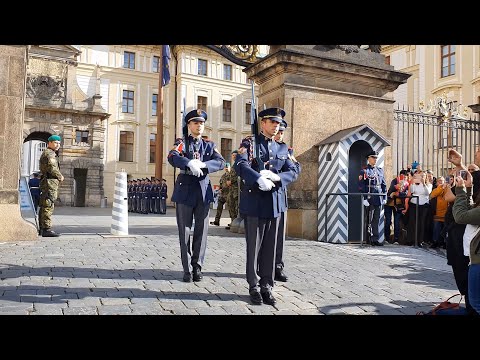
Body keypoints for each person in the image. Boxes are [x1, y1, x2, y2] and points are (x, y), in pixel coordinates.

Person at [234, 107, 298, 306]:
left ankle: (267, 286)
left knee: (270, 249)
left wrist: (278, 177)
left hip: (274, 204)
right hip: (254, 203)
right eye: (272, 122)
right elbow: (240, 165)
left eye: (278, 123)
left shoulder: (282, 148)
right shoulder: (250, 143)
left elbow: (294, 170)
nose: (275, 125)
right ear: (262, 123)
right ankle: (253, 286)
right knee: (254, 248)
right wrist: (257, 178)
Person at [168, 109, 225, 282]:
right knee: (184, 231)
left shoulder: (209, 145)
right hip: (185, 189)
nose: (199, 125)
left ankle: (197, 266)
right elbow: (172, 156)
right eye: (195, 122)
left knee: (201, 230)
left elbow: (221, 161)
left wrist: (204, 165)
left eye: (201, 123)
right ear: (189, 125)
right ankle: (186, 268)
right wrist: (188, 162)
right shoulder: (182, 142)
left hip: (203, 190)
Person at [273, 119, 301, 282]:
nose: (280, 134)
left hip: (280, 196)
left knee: (279, 237)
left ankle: (278, 266)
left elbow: (297, 168)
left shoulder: (287, 151)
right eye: (279, 131)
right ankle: (263, 266)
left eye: (283, 132)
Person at [358, 151, 387, 246]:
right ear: (368, 158)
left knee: (376, 219)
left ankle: (375, 239)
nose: (375, 159)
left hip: (378, 197)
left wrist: (384, 196)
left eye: (376, 158)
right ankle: (368, 238)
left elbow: (383, 185)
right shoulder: (365, 171)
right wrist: (365, 198)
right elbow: (361, 186)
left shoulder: (379, 170)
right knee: (369, 219)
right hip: (370, 197)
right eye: (373, 157)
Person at [38, 134, 64, 237]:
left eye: (59, 143)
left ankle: (42, 228)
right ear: (49, 143)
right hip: (50, 182)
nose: (57, 145)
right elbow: (52, 168)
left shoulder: (50, 153)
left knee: (45, 204)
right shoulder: (50, 154)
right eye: (55, 143)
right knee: (48, 205)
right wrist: (60, 176)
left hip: (48, 182)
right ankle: (46, 229)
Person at [225, 152, 239, 230]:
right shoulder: (233, 165)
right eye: (233, 155)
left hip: (236, 189)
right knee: (230, 205)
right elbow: (230, 175)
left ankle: (236, 222)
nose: (234, 157)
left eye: (235, 155)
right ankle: (233, 221)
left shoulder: (239, 164)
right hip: (231, 189)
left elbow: (238, 176)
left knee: (236, 206)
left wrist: (231, 181)